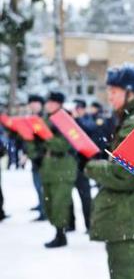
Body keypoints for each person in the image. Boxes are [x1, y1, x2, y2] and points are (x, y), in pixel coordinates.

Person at [86, 64, 134, 279]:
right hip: (128, 219)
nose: (109, 97)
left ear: (130, 92)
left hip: (128, 218)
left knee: (129, 273)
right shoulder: (133, 117)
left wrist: (90, 166)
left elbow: (124, 175)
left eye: (114, 92)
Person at [41, 92, 77, 248]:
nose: (48, 105)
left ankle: (60, 234)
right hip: (49, 167)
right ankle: (58, 230)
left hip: (63, 168)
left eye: (51, 102)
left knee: (60, 204)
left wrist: (45, 137)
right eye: (47, 102)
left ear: (59, 104)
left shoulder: (65, 120)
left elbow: (64, 145)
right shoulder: (46, 119)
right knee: (49, 202)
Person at [68, 98, 96, 232]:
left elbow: (89, 129)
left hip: (82, 164)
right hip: (70, 164)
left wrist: (77, 119)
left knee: (85, 198)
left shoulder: (88, 119)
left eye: (80, 108)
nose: (77, 111)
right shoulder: (71, 121)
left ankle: (89, 225)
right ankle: (70, 224)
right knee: (68, 198)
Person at [25, 94, 47, 221]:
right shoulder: (31, 119)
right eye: (31, 103)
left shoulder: (44, 119)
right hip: (34, 157)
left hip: (43, 157)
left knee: (42, 185)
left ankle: (44, 210)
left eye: (35, 103)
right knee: (37, 184)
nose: (33, 105)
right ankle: (41, 205)